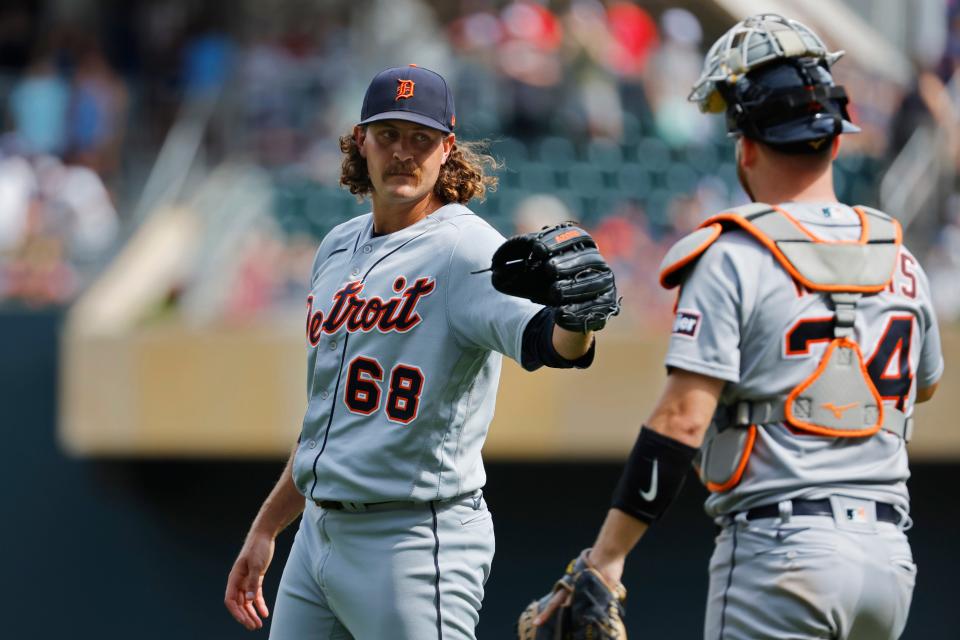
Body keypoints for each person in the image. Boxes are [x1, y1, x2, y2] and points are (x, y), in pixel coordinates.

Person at [522, 15, 943, 640]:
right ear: (835, 138)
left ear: (745, 143)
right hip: (889, 562)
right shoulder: (901, 257)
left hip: (782, 550)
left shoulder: (735, 253)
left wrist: (605, 560)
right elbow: (923, 386)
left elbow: (682, 421)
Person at [224, 64, 617, 639]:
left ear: (447, 149)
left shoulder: (466, 247)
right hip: (316, 536)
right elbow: (325, 427)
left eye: (421, 139)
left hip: (411, 540)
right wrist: (266, 527)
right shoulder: (336, 247)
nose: (403, 154)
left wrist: (579, 320)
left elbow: (550, 344)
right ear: (362, 140)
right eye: (388, 136)